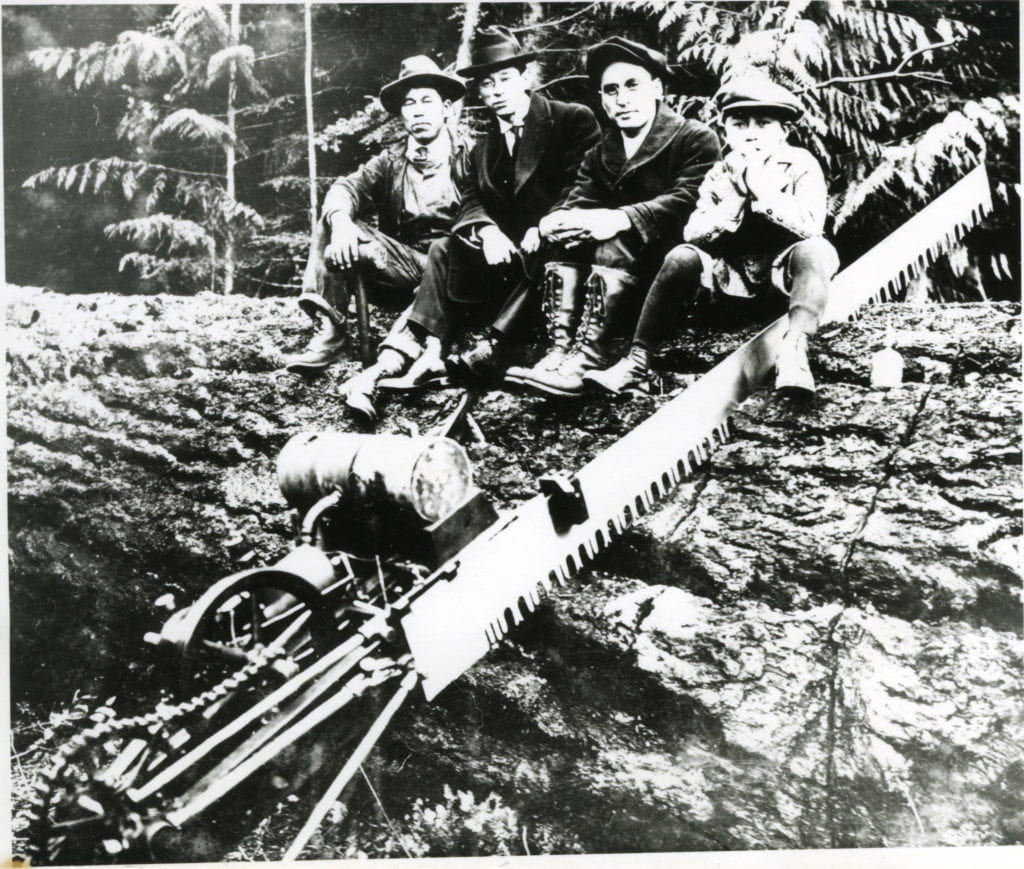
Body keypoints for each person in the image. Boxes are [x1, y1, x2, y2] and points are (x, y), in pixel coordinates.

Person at [337, 26, 600, 415]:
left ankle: (493, 347)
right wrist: (486, 229)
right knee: (445, 246)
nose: (496, 92)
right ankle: (430, 351)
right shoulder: (487, 144)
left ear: (526, 78)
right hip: (507, 260)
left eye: (505, 81)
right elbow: (473, 198)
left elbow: (585, 182)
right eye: (487, 85)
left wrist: (546, 223)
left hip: (559, 249)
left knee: (549, 247)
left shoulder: (571, 119)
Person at [584, 76, 839, 397]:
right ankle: (636, 362)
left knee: (817, 249)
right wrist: (731, 206)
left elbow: (811, 224)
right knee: (681, 255)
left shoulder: (800, 164)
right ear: (727, 131)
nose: (751, 134)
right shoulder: (722, 172)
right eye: (740, 124)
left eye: (763, 124)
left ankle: (794, 352)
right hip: (732, 283)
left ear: (783, 130)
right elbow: (693, 232)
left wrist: (762, 192)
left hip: (783, 281)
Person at [505, 36, 720, 396]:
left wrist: (620, 218)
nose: (622, 99)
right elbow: (579, 198)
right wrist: (555, 221)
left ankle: (587, 357)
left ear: (657, 88)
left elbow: (688, 198)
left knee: (610, 235)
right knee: (566, 237)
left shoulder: (695, 138)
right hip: (609, 282)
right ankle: (560, 351)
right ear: (602, 101)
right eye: (610, 90)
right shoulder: (601, 151)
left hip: (665, 278)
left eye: (632, 85)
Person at [284, 56, 469, 373]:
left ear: (447, 108)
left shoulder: (472, 155)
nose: (418, 110)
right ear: (402, 114)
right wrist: (342, 224)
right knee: (333, 216)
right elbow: (346, 189)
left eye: (427, 100)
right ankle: (330, 333)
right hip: (403, 269)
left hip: (455, 274)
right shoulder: (391, 161)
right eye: (409, 103)